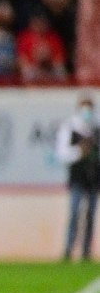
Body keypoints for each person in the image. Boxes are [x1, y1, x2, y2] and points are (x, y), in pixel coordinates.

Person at [55, 94, 100, 262]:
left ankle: (86, 251)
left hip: (94, 177)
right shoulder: (70, 127)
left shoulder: (96, 129)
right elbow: (62, 154)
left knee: (90, 214)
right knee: (74, 212)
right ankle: (68, 249)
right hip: (77, 177)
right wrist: (78, 152)